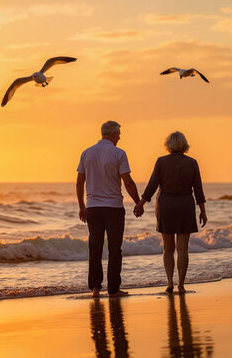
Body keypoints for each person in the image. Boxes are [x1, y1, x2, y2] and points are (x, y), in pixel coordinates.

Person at [133, 131, 207, 294]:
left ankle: (169, 283)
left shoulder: (161, 162)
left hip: (166, 205)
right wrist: (203, 211)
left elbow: (152, 185)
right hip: (185, 205)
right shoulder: (192, 163)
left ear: (169, 145)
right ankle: (181, 285)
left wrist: (141, 203)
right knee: (183, 248)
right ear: (184, 144)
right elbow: (198, 190)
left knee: (168, 248)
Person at [77, 121, 140, 298]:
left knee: (95, 247)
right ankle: (113, 289)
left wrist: (82, 206)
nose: (120, 137)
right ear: (113, 135)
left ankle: (95, 289)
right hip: (113, 208)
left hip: (93, 208)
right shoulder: (119, 153)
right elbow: (127, 181)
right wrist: (137, 202)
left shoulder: (86, 153)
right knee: (114, 249)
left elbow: (79, 182)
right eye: (119, 134)